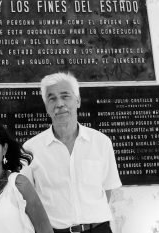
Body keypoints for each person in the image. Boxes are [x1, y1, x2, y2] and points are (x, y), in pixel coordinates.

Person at [22, 72, 122, 233]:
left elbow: (107, 189)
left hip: (98, 228)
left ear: (78, 101)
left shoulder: (101, 142)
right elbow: (28, 198)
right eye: (52, 98)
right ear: (46, 106)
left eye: (65, 96)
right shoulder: (30, 148)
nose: (59, 103)